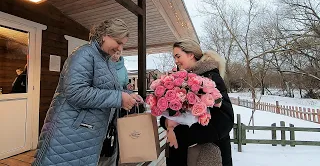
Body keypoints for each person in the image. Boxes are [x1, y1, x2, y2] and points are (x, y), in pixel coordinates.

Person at [32, 18, 143, 166]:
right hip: (70, 133)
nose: (120, 48)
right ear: (105, 35)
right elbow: (76, 92)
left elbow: (108, 90)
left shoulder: (106, 60)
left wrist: (128, 95)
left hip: (88, 133)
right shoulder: (84, 54)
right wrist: (118, 98)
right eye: (118, 42)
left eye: (123, 44)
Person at [160, 38, 234, 166]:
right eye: (174, 57)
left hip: (205, 153)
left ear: (190, 54)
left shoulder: (210, 78)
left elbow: (225, 119)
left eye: (178, 56)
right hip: (181, 152)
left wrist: (183, 134)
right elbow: (169, 110)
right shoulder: (178, 80)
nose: (176, 61)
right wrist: (167, 123)